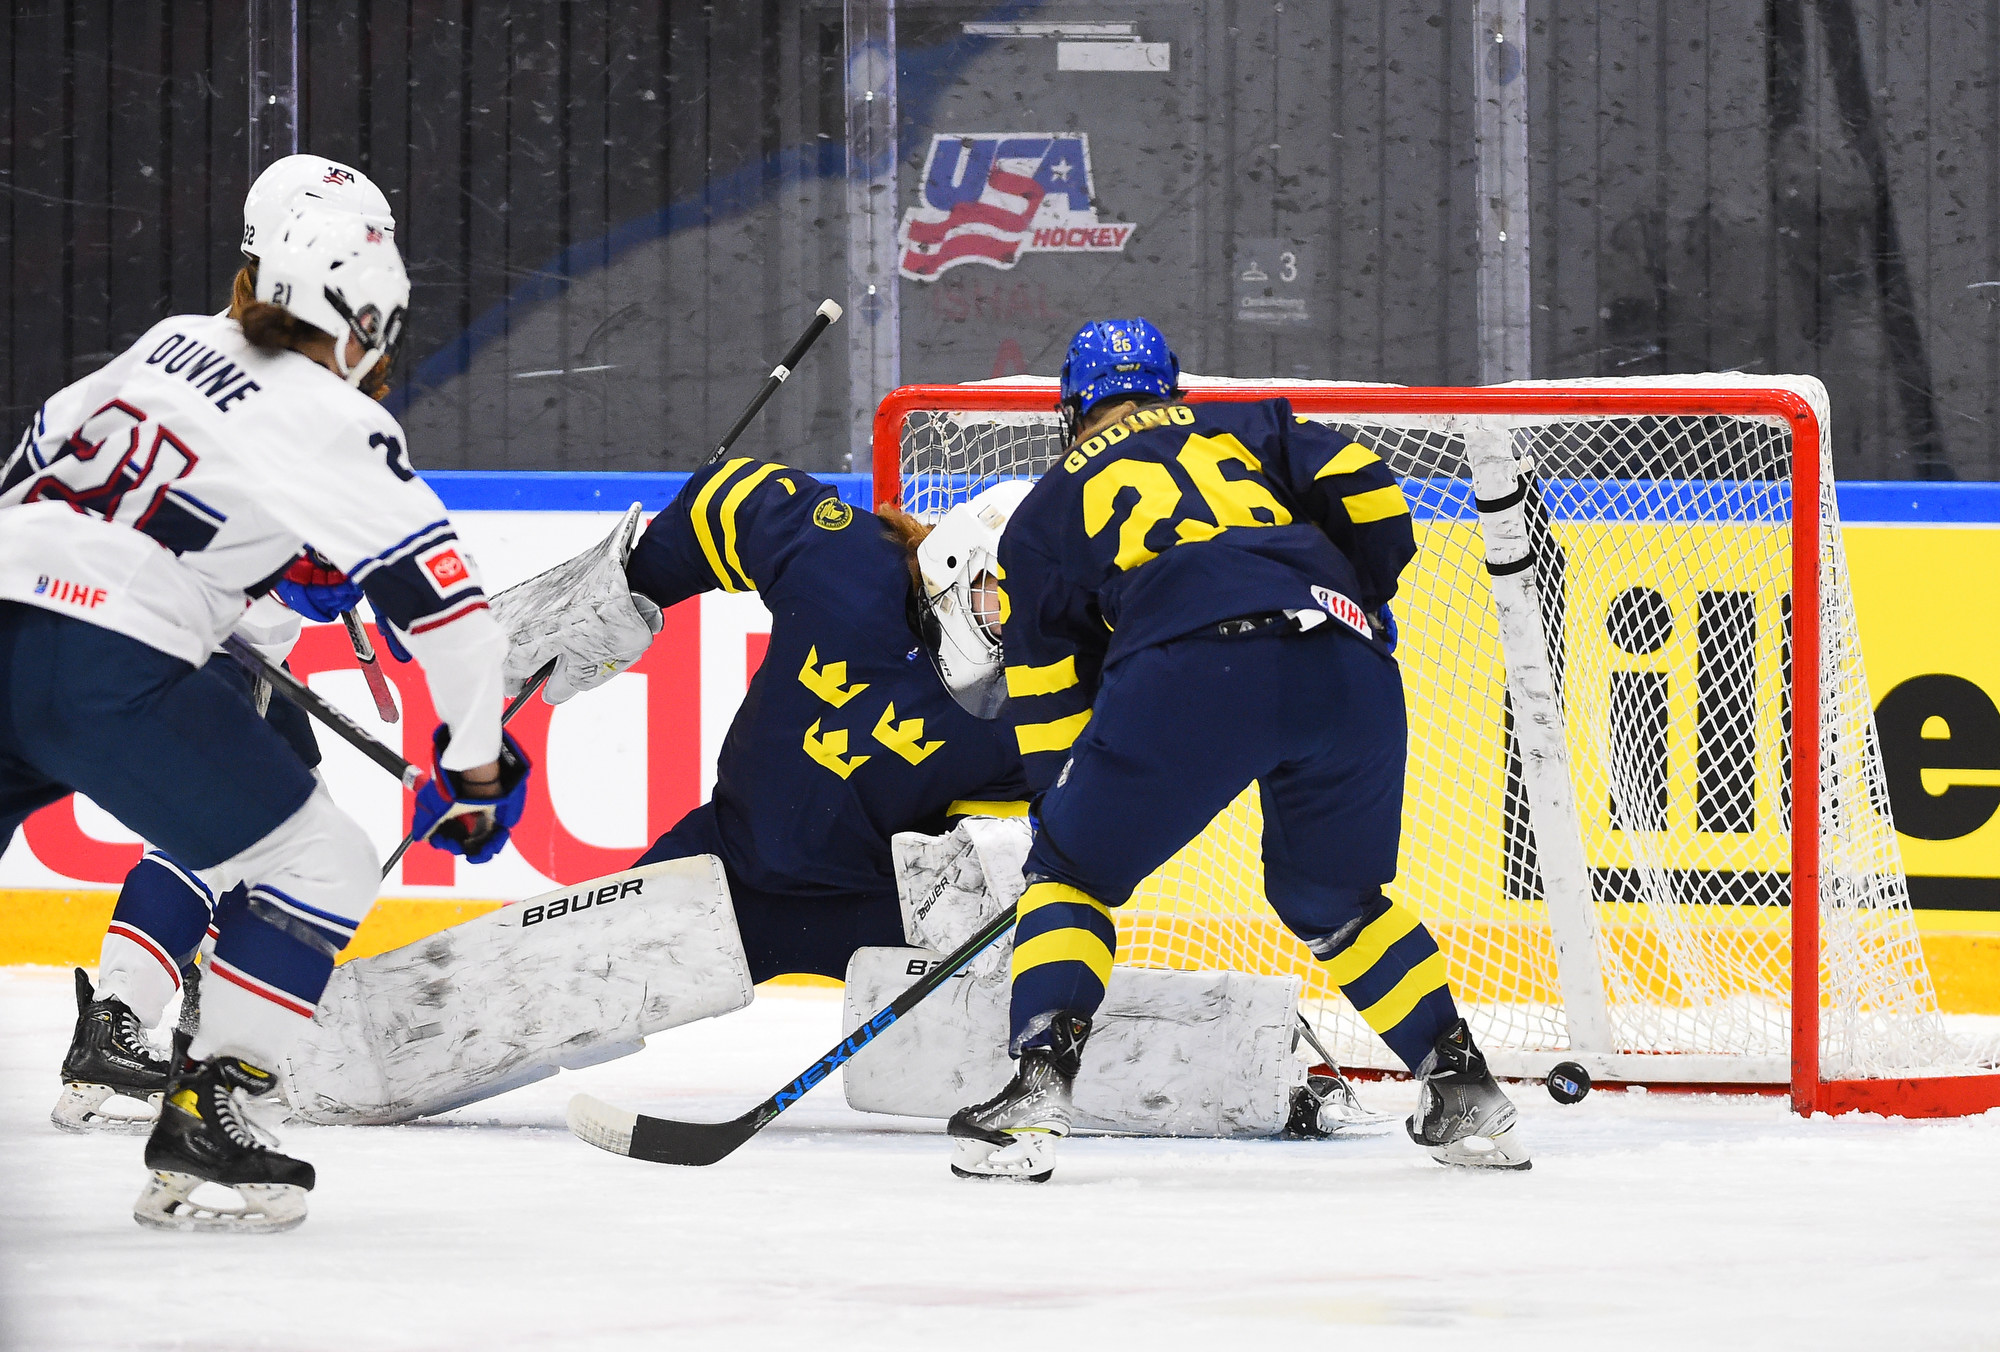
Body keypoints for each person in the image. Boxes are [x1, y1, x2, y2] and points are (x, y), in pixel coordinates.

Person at [0, 198, 529, 1231]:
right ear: (366, 321)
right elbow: (460, 628)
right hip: (107, 660)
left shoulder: (171, 342)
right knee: (316, 861)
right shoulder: (337, 417)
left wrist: (263, 565)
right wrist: (472, 770)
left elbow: (42, 456)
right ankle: (211, 1123)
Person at [942, 318, 1530, 1181]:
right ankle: (1466, 1092)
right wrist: (1353, 592)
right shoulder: (1250, 424)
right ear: (1170, 389)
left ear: (1072, 410)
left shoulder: (1041, 514)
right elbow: (1370, 492)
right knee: (1335, 901)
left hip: (1197, 667)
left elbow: (1047, 690)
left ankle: (1036, 1095)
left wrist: (1059, 824)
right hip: (1349, 663)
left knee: (1073, 877)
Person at [51, 154, 398, 1136]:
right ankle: (126, 1020)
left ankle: (151, 1019)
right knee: (246, 833)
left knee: (259, 825)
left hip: (183, 638)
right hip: (201, 642)